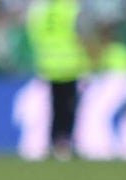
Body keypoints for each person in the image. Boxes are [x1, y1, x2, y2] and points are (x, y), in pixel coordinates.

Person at [26, 0, 92, 160]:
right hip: (70, 64)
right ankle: (65, 144)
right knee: (69, 107)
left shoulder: (41, 9)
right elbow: (81, 35)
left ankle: (53, 143)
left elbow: (33, 34)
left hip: (48, 64)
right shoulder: (70, 8)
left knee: (55, 106)